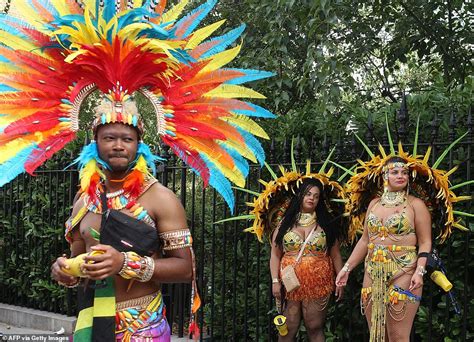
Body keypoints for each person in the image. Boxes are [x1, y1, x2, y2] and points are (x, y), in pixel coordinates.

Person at [51, 101, 196, 341]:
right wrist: (67, 271)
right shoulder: (84, 200)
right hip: (92, 322)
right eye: (109, 138)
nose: (118, 146)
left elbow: (186, 269)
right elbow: (79, 260)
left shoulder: (161, 198)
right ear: (95, 143)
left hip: (142, 326)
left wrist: (124, 263)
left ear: (139, 145)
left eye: (127, 139)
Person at [335, 156, 432, 342]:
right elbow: (365, 240)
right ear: (385, 175)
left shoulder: (415, 205)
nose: (400, 176)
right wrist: (346, 269)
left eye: (404, 172)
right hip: (373, 272)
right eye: (395, 172)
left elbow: (426, 242)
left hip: (404, 271)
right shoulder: (374, 204)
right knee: (378, 335)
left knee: (398, 336)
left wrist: (419, 271)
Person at [271, 178, 344, 342]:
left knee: (314, 326)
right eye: (308, 194)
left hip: (318, 282)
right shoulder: (284, 224)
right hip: (290, 283)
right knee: (288, 327)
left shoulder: (326, 225)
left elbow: (336, 254)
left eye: (316, 196)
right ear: (300, 196)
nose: (311, 198)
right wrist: (275, 280)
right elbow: (275, 255)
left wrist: (340, 280)